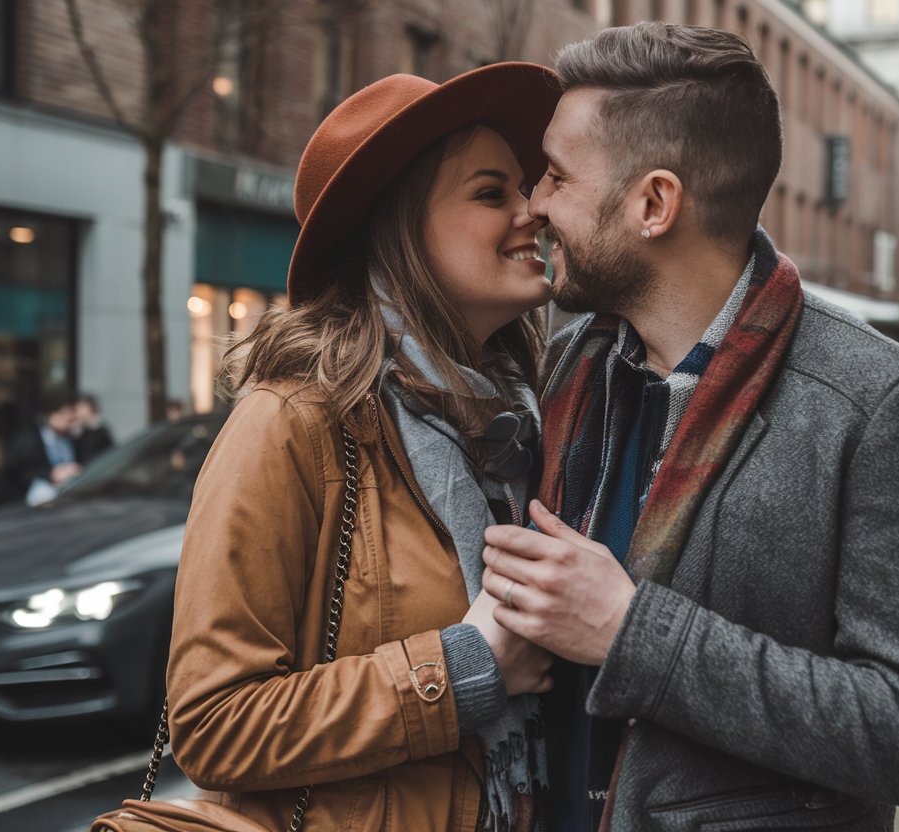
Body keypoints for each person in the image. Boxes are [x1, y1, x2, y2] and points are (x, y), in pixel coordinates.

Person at [478, 24, 899, 831]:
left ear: (654, 203)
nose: (535, 203)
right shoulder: (562, 365)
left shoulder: (881, 404)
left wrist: (630, 632)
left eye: (558, 177)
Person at [164, 64, 561, 831]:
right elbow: (213, 724)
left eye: (528, 186)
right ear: (400, 225)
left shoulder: (521, 427)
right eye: (492, 193)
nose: (533, 210)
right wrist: (463, 669)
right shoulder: (296, 422)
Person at [0, 393, 82, 506]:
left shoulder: (70, 440)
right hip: (26, 505)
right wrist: (51, 474)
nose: (70, 418)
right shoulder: (29, 440)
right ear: (52, 414)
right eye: (66, 413)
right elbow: (18, 472)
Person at [72, 393, 114, 464]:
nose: (77, 410)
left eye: (81, 406)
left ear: (91, 408)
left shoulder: (101, 431)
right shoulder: (77, 431)